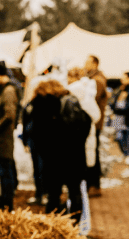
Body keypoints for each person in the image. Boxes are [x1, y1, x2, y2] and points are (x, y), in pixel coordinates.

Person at [31, 79, 89, 223]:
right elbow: (86, 123)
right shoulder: (73, 101)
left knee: (53, 194)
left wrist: (44, 153)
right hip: (75, 157)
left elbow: (39, 134)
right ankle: (75, 227)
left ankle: (53, 227)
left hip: (54, 158)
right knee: (74, 192)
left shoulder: (43, 104)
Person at [0, 60, 19, 212]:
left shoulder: (8, 92)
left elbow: (10, 115)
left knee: (5, 172)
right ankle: (4, 202)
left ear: (0, 77)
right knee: (2, 172)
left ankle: (7, 204)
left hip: (3, 140)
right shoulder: (4, 91)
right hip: (1, 139)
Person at [84, 55, 108, 197]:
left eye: (87, 62)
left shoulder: (97, 80)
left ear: (94, 64)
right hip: (95, 121)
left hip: (95, 122)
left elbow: (91, 100)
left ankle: (94, 185)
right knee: (93, 152)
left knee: (93, 153)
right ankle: (93, 184)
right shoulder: (95, 78)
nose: (84, 65)